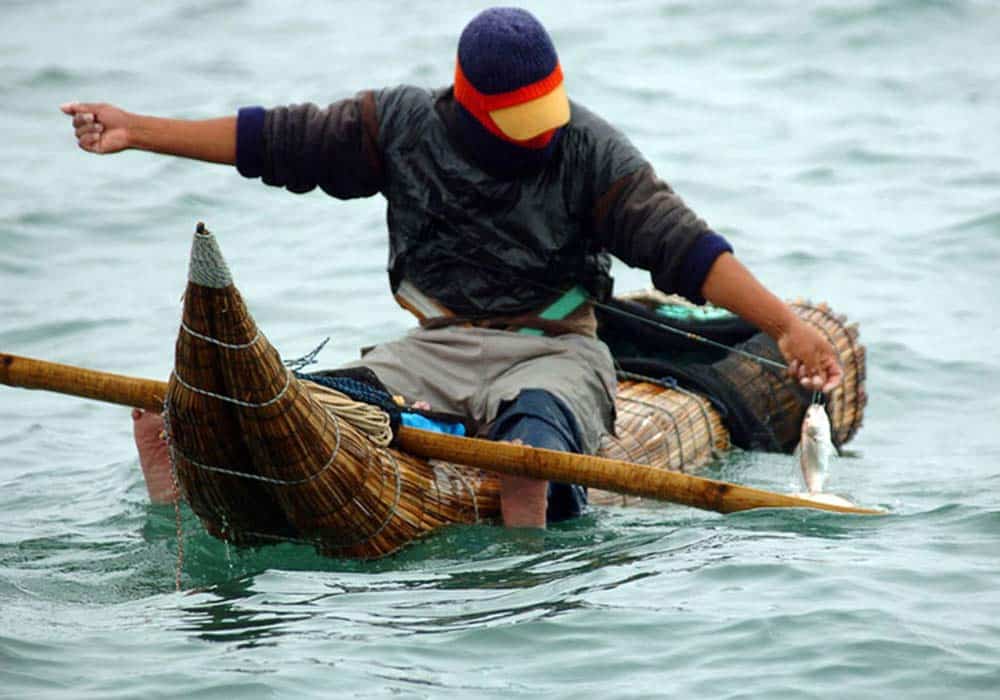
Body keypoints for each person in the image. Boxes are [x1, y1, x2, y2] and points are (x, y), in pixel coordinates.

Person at [62, 7, 842, 527]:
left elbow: (685, 247)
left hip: (555, 351)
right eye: (520, 121)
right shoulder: (400, 126)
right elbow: (275, 141)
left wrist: (785, 325)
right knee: (318, 403)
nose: (541, 135)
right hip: (430, 350)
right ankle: (175, 481)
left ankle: (521, 582)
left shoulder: (587, 147)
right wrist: (139, 130)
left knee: (528, 442)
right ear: (469, 102)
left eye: (547, 115)